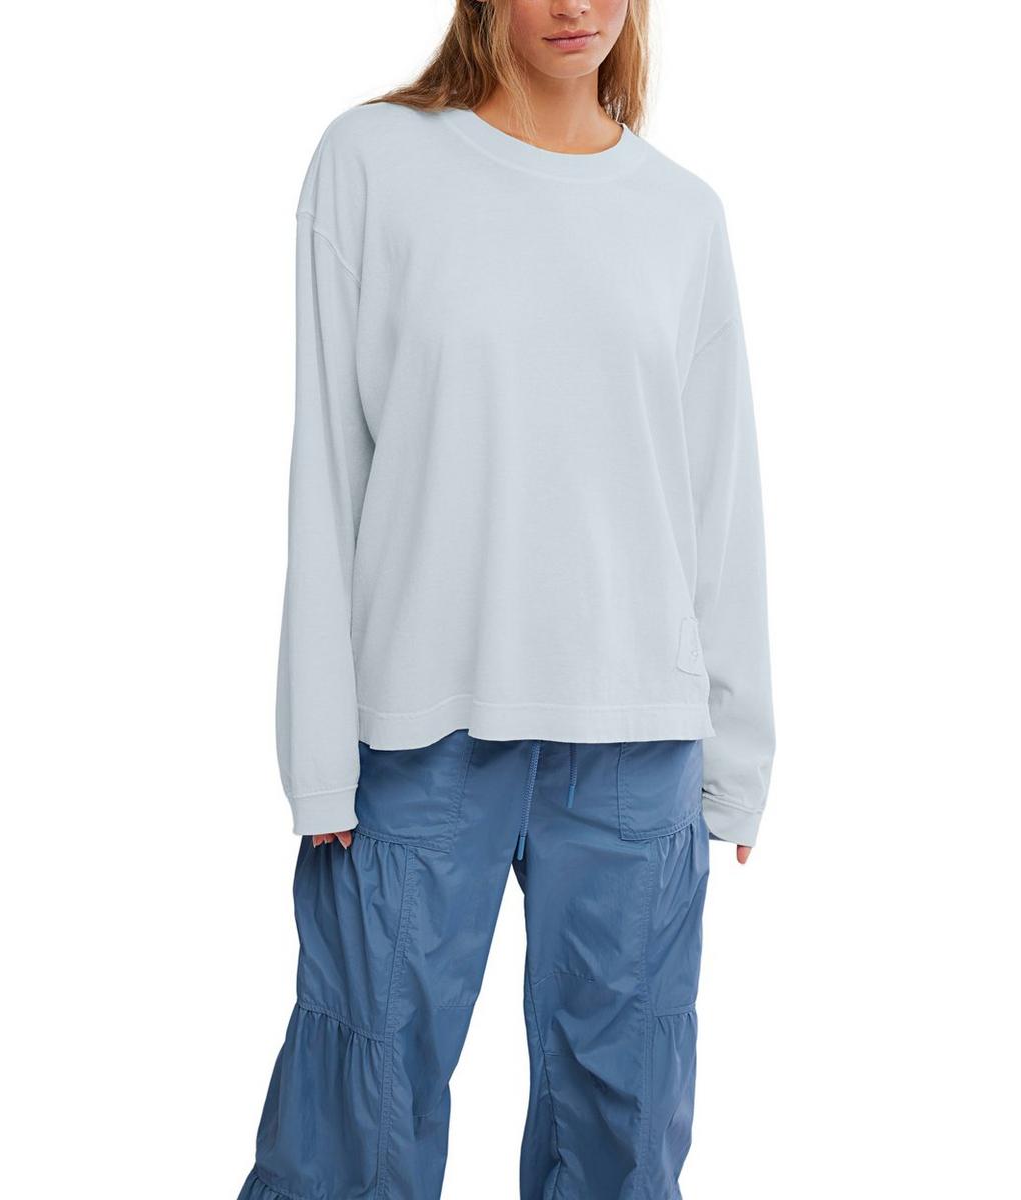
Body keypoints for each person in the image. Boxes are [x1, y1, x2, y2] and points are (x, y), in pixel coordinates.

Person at [238, 1, 775, 1196]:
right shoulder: (374, 163)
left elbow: (716, 492)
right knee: (355, 1120)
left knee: (621, 1133)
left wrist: (737, 750)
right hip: (419, 722)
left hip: (637, 731)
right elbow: (328, 469)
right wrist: (317, 749)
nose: (575, 5)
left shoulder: (681, 215)